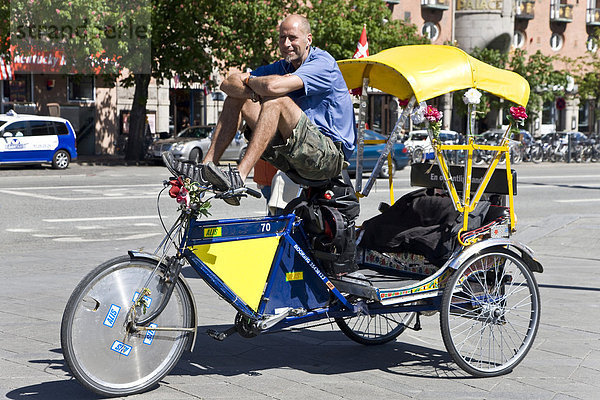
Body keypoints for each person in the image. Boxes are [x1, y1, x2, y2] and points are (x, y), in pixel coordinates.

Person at [191, 14, 355, 205]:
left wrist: (250, 81)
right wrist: (252, 90)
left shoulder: (323, 63)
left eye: (292, 38)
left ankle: (239, 178)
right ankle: (205, 170)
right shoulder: (283, 66)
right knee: (236, 98)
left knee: (275, 101)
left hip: (329, 157)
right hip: (296, 151)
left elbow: (272, 88)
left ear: (308, 39)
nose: (286, 44)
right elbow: (227, 83)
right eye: (282, 38)